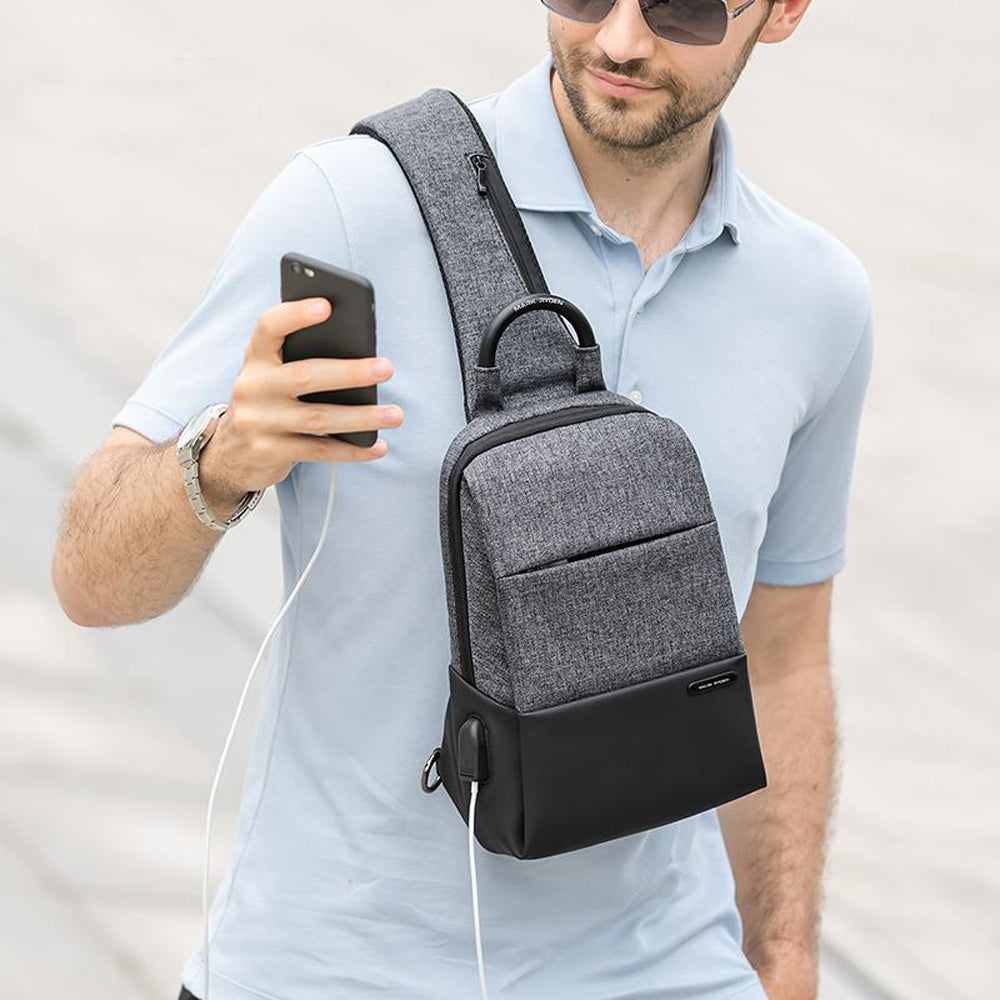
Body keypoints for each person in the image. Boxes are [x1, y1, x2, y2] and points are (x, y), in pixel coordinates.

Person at [52, 1, 873, 997]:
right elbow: (91, 584)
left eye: (684, 8)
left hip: (666, 970)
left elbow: (782, 656)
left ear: (783, 11)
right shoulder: (354, 208)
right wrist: (216, 463)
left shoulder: (813, 299)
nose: (619, 40)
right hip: (331, 976)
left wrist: (782, 958)